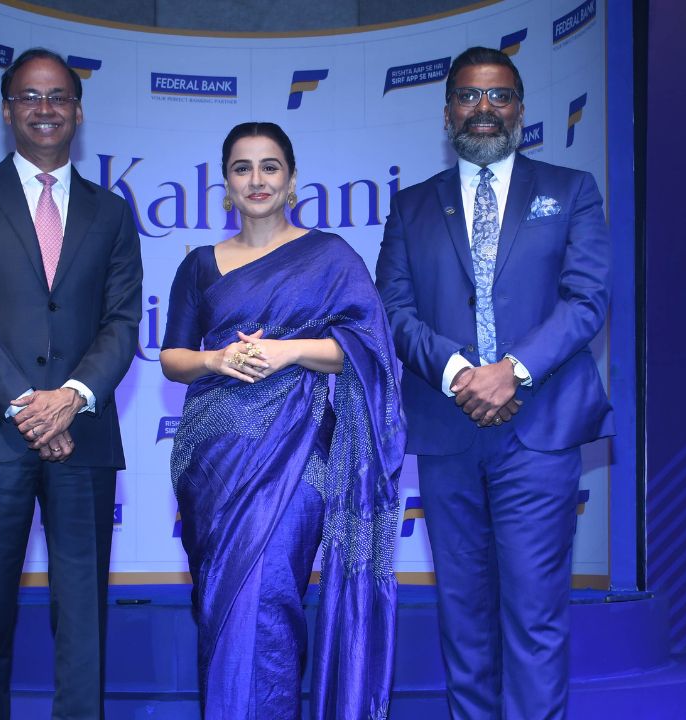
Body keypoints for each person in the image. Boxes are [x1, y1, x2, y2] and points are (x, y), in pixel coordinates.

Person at [375, 46, 613, 719]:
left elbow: (588, 299)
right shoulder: (412, 208)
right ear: (447, 109)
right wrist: (458, 373)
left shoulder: (571, 192)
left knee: (534, 619)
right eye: (470, 96)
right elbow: (390, 309)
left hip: (538, 433)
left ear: (522, 109)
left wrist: (510, 372)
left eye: (500, 95)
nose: (485, 109)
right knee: (463, 619)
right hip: (450, 434)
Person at [159, 121, 404, 719]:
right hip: (212, 464)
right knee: (221, 607)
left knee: (270, 599)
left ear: (292, 179)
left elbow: (369, 350)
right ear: (226, 184)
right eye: (242, 168)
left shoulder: (329, 257)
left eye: (270, 167)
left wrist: (291, 351)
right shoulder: (199, 264)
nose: (257, 179)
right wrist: (216, 358)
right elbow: (171, 358)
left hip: (294, 456)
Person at [0, 47, 143, 720]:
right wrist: (29, 408)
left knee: (83, 622)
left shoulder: (111, 213)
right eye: (29, 96)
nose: (44, 108)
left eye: (57, 97)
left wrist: (70, 400)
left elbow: (121, 322)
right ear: (6, 110)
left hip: (84, 435)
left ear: (78, 112)